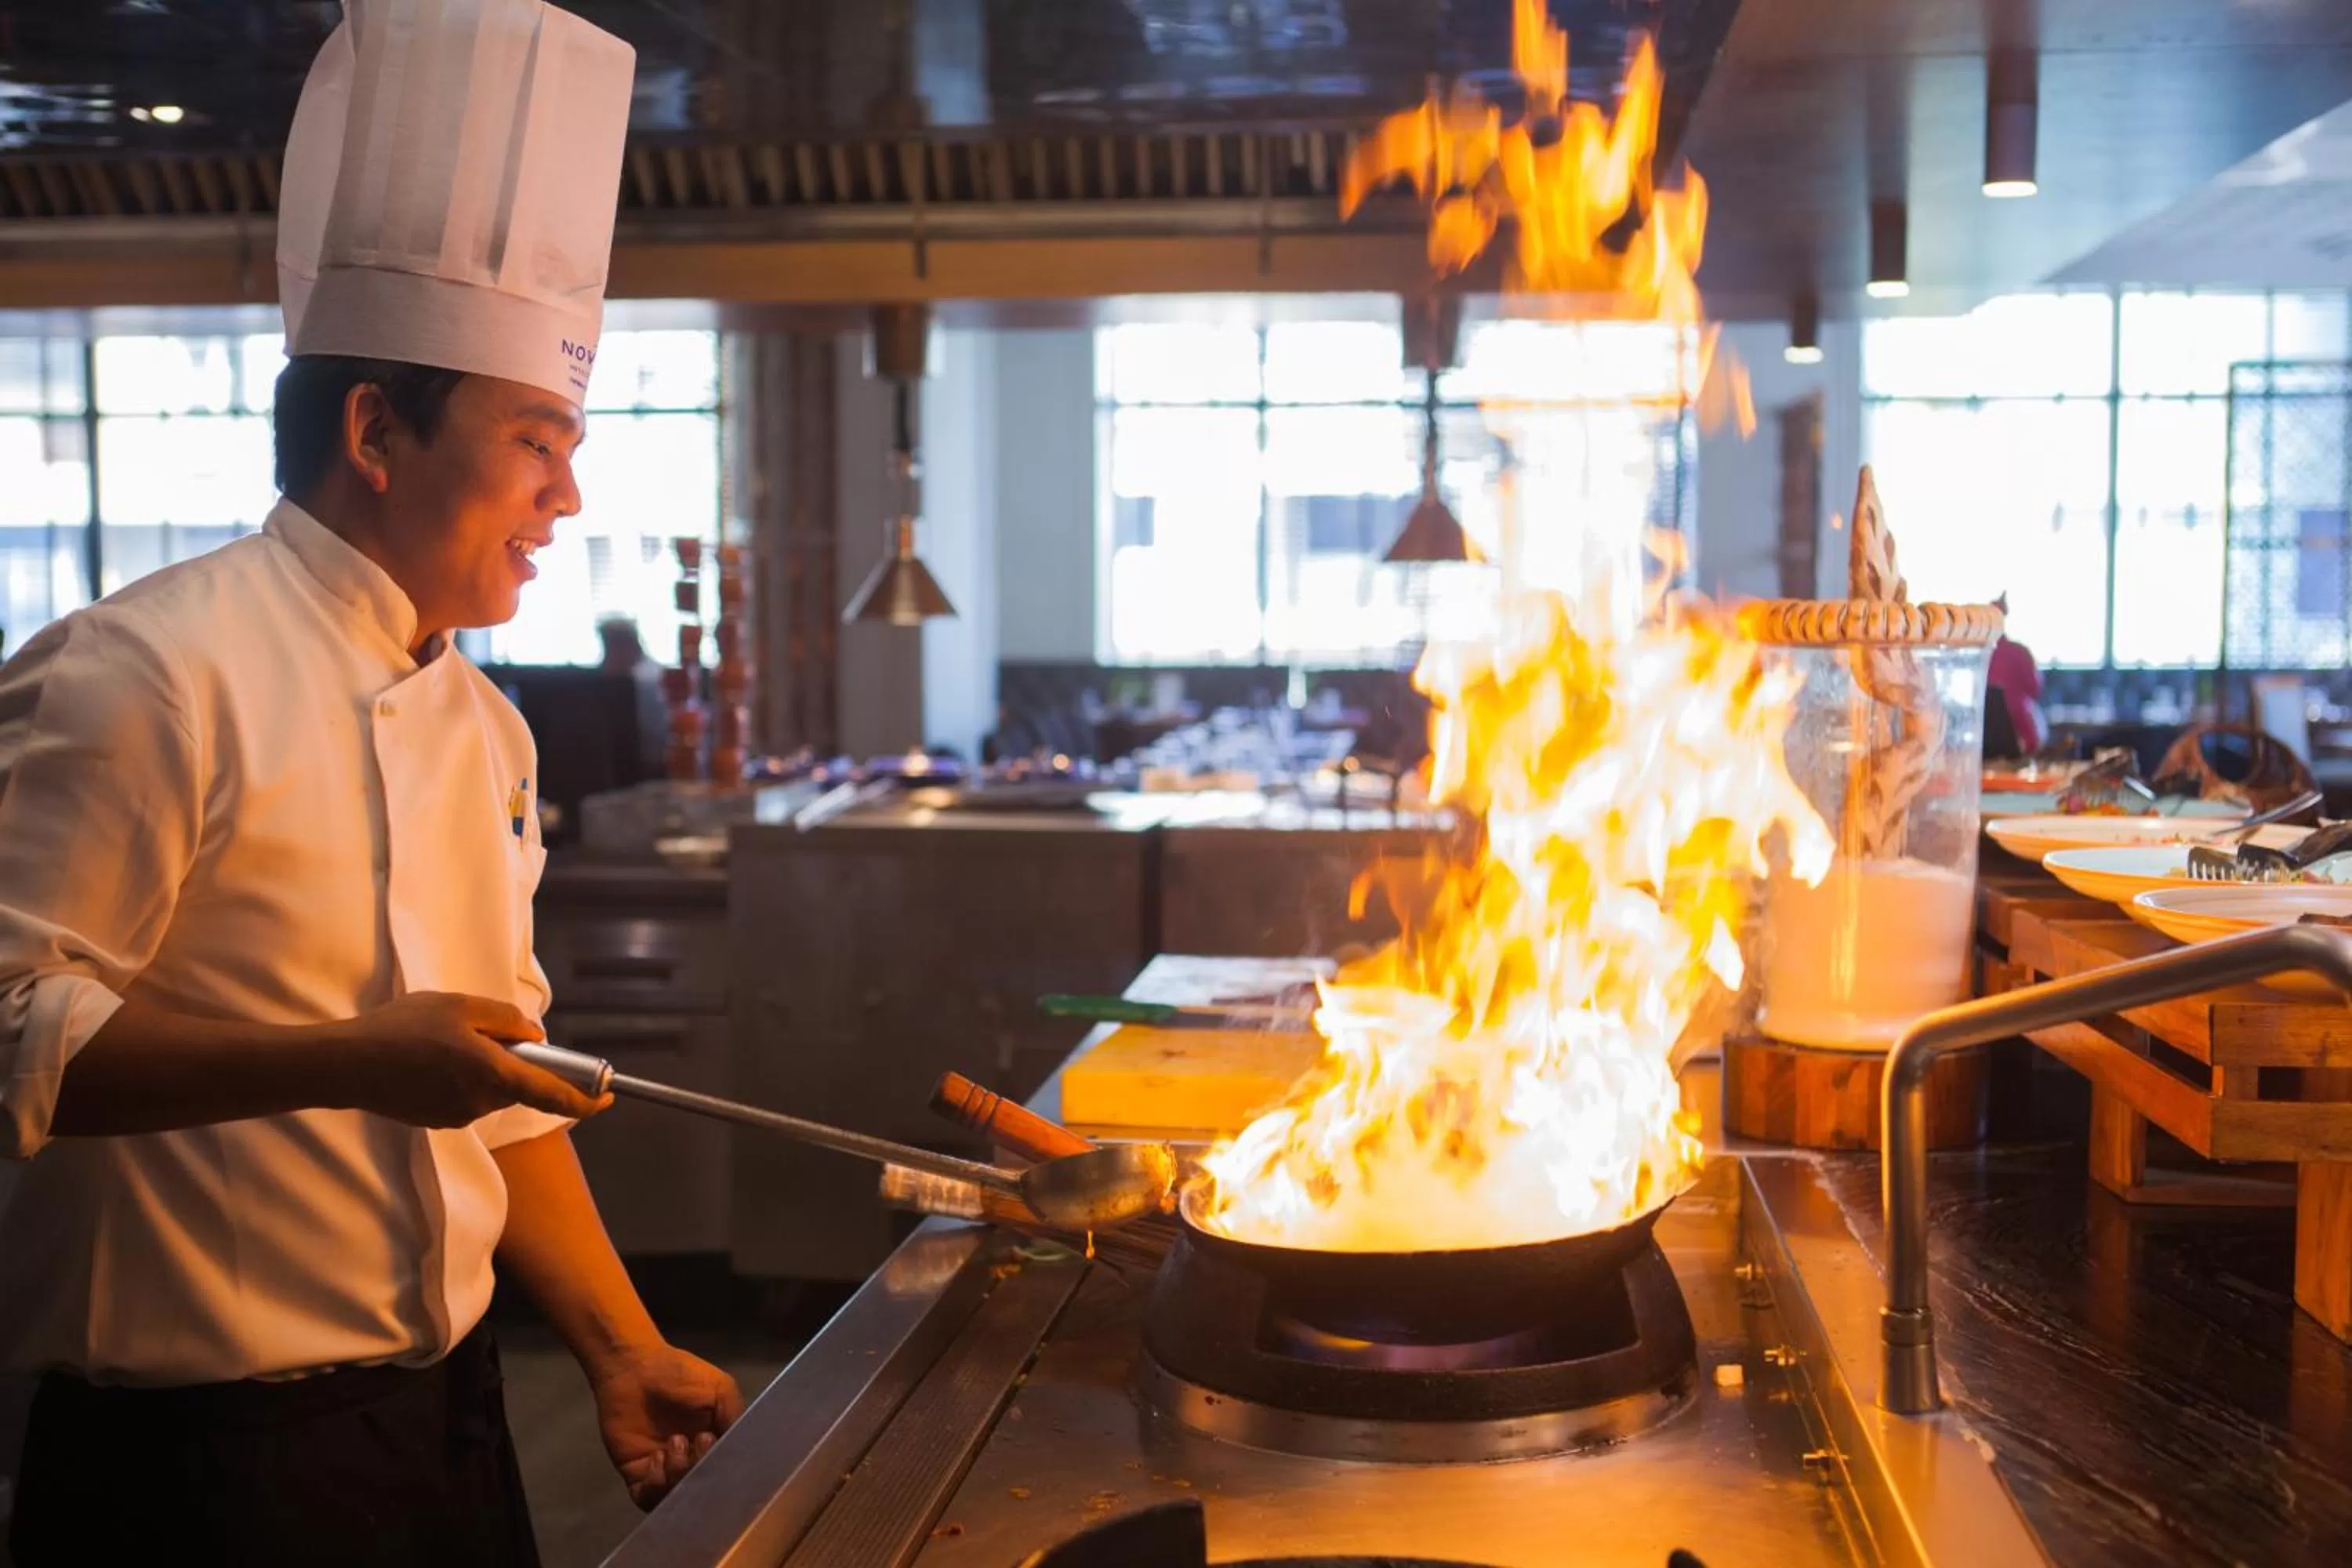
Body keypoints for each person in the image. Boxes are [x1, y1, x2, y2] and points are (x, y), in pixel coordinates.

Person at [0, 5, 739, 1563]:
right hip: (204, 1465)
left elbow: (499, 1095)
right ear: (375, 430)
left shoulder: (483, 724)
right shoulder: (145, 671)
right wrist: (344, 1059)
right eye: (537, 438)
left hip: (452, 1423)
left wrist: (619, 1347)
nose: (569, 490)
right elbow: (14, 1031)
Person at [1987, 591, 2049, 755]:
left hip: (1984, 730)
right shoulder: (2020, 652)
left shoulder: (1978, 654)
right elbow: (2034, 689)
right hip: (2020, 728)